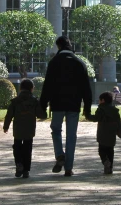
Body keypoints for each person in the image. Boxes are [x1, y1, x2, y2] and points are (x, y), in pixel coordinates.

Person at [40, 35, 93, 177]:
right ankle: (68, 168)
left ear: (58, 46)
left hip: (57, 104)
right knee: (71, 136)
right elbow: (86, 88)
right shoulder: (79, 63)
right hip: (74, 104)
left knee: (56, 130)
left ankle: (59, 155)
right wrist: (87, 108)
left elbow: (47, 86)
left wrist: (42, 105)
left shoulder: (54, 62)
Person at [3, 78, 46, 179]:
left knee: (17, 146)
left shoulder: (15, 101)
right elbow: (41, 115)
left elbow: (9, 115)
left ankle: (19, 163)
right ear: (31, 89)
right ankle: (26, 170)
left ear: (20, 89)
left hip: (18, 128)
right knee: (28, 148)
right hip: (29, 129)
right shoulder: (34, 101)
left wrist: (6, 126)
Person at [87, 91, 121, 175]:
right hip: (112, 135)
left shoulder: (101, 109)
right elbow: (118, 122)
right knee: (110, 151)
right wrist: (119, 132)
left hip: (102, 134)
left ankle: (105, 161)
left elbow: (95, 118)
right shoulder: (115, 111)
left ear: (103, 100)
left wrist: (88, 116)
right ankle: (110, 168)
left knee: (101, 151)